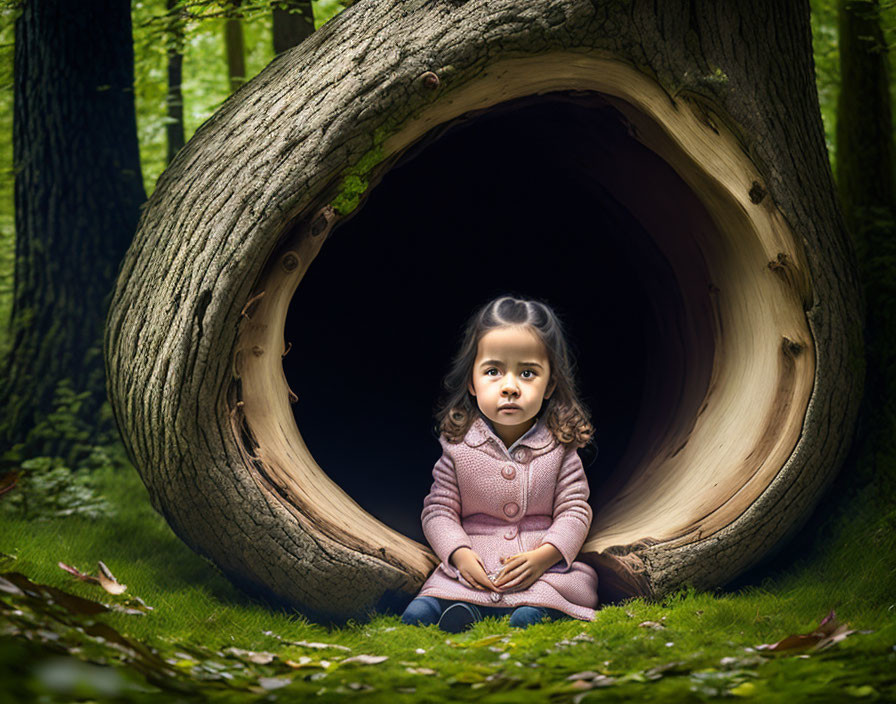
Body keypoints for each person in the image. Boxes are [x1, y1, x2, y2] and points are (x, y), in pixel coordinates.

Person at [400, 294, 599, 632]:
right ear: (472, 382)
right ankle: (456, 609)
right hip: (475, 560)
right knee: (432, 600)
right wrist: (459, 554)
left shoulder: (560, 445)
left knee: (545, 596)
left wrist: (544, 556)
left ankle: (532, 614)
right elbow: (438, 510)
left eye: (527, 373)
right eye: (493, 371)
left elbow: (575, 510)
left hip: (539, 565)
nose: (510, 387)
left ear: (550, 384)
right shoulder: (459, 445)